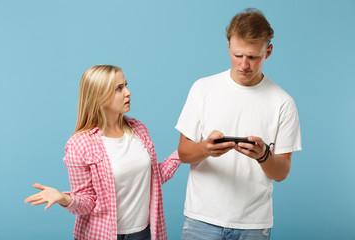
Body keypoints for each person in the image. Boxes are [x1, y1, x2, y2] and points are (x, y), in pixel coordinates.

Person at [175, 8, 302, 240]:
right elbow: (183, 153)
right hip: (201, 219)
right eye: (237, 55)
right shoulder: (202, 89)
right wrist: (205, 148)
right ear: (228, 47)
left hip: (253, 224)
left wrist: (263, 155)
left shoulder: (283, 102)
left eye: (253, 57)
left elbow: (282, 171)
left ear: (268, 51)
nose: (244, 64)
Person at [25, 65, 181, 240]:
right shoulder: (80, 143)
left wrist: (183, 152)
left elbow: (151, 178)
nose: (128, 92)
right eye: (118, 89)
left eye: (126, 85)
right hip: (101, 234)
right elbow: (87, 202)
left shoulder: (139, 129)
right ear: (99, 97)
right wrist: (64, 198)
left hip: (141, 233)